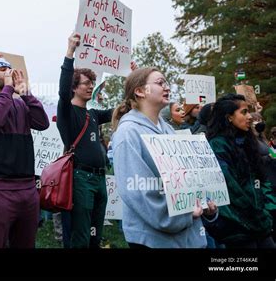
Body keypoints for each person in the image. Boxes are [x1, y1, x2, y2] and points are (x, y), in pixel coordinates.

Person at [111, 67, 217, 248]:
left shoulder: (168, 130)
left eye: (166, 83)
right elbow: (137, 191)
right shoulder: (128, 133)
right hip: (152, 239)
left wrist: (204, 205)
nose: (167, 87)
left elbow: (185, 178)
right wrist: (180, 215)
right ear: (139, 91)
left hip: (187, 237)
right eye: (160, 83)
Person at [57, 33, 137, 248]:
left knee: (95, 235)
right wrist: (70, 53)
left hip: (99, 181)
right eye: (86, 83)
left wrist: (133, 78)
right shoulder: (67, 111)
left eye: (92, 82)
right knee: (80, 235)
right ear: (74, 87)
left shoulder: (93, 114)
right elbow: (62, 91)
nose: (91, 86)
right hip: (80, 179)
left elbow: (122, 110)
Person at [0, 58, 49, 248]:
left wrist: (26, 93)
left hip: (27, 188)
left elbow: (42, 123)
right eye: (3, 69)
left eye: (10, 69)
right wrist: (7, 89)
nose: (9, 72)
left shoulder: (20, 103)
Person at [204, 94, 275, 248]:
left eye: (249, 111)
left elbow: (263, 179)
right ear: (229, 117)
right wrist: (255, 215)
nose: (249, 117)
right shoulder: (218, 145)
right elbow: (231, 189)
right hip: (238, 229)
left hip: (261, 225)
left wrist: (267, 210)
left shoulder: (249, 142)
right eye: (243, 112)